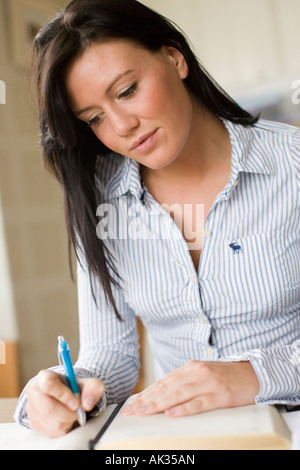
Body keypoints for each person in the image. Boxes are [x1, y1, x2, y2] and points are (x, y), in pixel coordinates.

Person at [14, 0, 299, 438]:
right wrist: (62, 393)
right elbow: (113, 355)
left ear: (174, 57)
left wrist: (256, 375)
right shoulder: (100, 199)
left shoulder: (291, 166)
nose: (122, 126)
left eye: (127, 90)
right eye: (94, 118)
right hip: (182, 441)